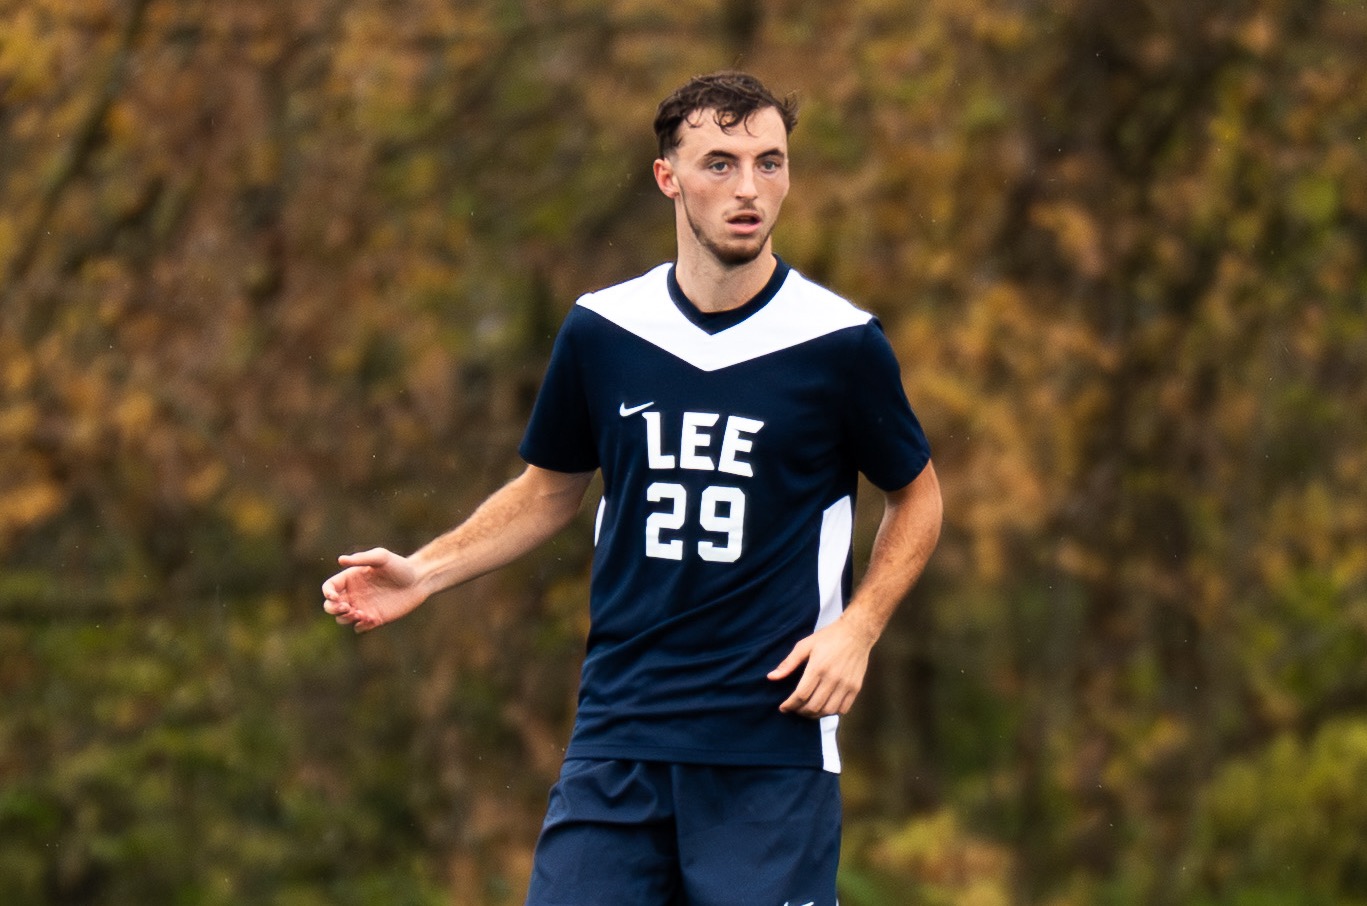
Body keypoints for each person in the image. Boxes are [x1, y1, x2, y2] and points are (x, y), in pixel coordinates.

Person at [322, 70, 943, 906]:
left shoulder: (840, 343)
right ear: (668, 178)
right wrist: (424, 572)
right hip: (619, 736)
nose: (749, 188)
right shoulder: (602, 330)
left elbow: (919, 496)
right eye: (719, 163)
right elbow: (548, 491)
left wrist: (858, 629)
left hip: (769, 748)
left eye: (770, 162)